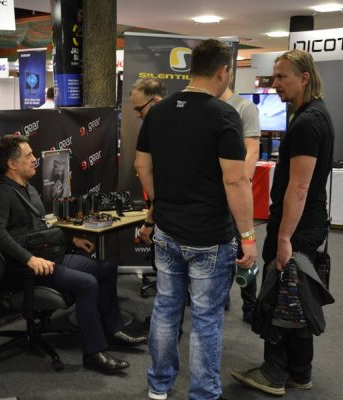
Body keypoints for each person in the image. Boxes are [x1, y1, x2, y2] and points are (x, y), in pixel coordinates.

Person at [134, 39, 257, 400]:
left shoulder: (158, 112)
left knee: (166, 308)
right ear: (223, 71)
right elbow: (236, 180)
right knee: (205, 319)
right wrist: (248, 237)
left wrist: (160, 203)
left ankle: (158, 386)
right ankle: (203, 394)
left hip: (167, 230)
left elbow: (142, 166)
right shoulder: (224, 115)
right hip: (209, 237)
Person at [0, 134, 147, 374]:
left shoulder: (28, 189)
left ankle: (111, 330)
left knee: (106, 269)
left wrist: (72, 239)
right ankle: (93, 353)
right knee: (88, 283)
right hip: (27, 269)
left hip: (50, 257)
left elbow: (40, 228)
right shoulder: (2, 193)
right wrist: (30, 259)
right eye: (28, 155)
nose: (34, 159)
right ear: (12, 164)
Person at [231, 49, 335, 396]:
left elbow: (299, 187)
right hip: (308, 222)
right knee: (298, 298)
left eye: (281, 77)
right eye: (274, 76)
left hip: (297, 227)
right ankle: (299, 372)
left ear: (304, 78)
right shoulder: (314, 114)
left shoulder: (307, 122)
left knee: (280, 298)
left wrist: (285, 238)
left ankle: (274, 373)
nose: (274, 84)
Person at [219, 76, 261, 322]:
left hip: (234, 191)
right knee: (219, 249)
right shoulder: (206, 107)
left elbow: (252, 150)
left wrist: (241, 185)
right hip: (212, 194)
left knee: (245, 248)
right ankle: (221, 296)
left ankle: (250, 305)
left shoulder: (244, 107)